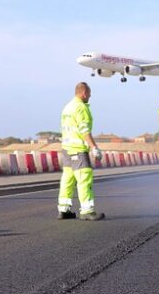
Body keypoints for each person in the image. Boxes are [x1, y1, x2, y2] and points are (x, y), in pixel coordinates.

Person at [57, 82, 105, 221]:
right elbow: (84, 131)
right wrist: (94, 148)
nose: (90, 96)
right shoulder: (81, 108)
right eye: (89, 94)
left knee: (67, 180)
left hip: (66, 149)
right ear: (84, 93)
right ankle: (87, 211)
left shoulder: (67, 107)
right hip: (78, 150)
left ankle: (63, 210)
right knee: (84, 179)